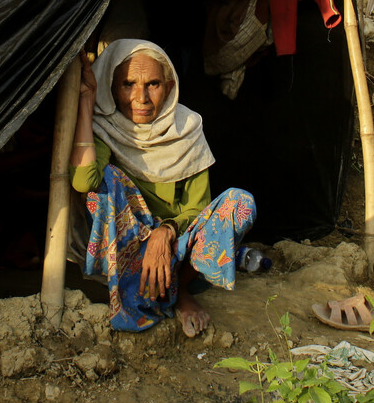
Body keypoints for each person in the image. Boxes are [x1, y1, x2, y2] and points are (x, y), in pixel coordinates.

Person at [71, 39, 256, 335]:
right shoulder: (106, 129)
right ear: (111, 87)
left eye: (152, 84)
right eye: (128, 84)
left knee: (240, 202)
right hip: (132, 251)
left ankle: (180, 291)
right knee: (102, 185)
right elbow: (84, 181)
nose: (140, 97)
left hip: (178, 249)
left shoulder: (187, 129)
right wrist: (86, 105)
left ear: (169, 87)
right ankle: (135, 290)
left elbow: (197, 210)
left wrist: (166, 231)